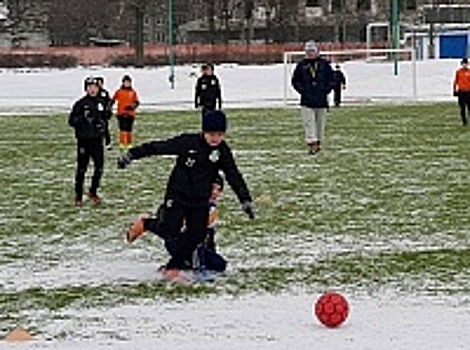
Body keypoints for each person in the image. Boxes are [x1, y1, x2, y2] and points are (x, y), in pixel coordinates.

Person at [117, 110, 255, 270]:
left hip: (200, 199)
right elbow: (158, 147)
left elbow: (233, 175)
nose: (215, 138)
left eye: (219, 134)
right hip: (178, 194)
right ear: (204, 131)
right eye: (211, 134)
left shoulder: (222, 151)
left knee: (197, 235)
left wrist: (245, 200)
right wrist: (131, 154)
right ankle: (146, 223)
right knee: (171, 230)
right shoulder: (188, 142)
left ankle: (172, 268)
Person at [128, 174, 228, 273]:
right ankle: (145, 224)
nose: (215, 192)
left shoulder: (210, 207)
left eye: (219, 190)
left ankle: (176, 266)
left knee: (218, 264)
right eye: (212, 188)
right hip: (178, 241)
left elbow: (208, 235)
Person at [68, 77, 108, 206]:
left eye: (95, 87)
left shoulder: (101, 102)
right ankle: (78, 195)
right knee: (82, 169)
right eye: (90, 87)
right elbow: (71, 121)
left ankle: (93, 191)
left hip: (97, 140)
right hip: (84, 141)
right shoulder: (80, 104)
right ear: (86, 88)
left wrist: (103, 129)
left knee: (99, 167)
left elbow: (105, 118)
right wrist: (82, 119)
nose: (92, 89)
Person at [291, 40, 335, 154]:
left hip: (321, 100)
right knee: (308, 122)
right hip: (306, 100)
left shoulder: (324, 64)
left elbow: (332, 79)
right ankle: (311, 143)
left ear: (317, 52)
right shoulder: (301, 65)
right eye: (308, 51)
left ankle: (319, 142)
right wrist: (303, 91)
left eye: (312, 51)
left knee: (320, 123)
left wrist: (326, 90)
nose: (310, 53)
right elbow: (295, 81)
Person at [112, 75, 140, 151]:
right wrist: (109, 106)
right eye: (126, 82)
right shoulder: (119, 91)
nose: (127, 84)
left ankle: (129, 143)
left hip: (130, 114)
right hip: (121, 113)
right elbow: (113, 99)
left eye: (128, 82)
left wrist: (132, 107)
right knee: (122, 129)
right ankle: (122, 143)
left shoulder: (133, 92)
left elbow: (137, 102)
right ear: (123, 83)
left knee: (129, 129)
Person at [96, 76, 113, 150]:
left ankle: (108, 143)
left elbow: (109, 102)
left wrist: (109, 111)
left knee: (105, 129)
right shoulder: (93, 92)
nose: (100, 85)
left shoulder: (105, 93)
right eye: (98, 83)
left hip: (104, 115)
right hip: (96, 114)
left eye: (101, 83)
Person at [453, 57, 470, 126]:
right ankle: (464, 122)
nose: (464, 65)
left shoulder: (469, 72)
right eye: (463, 64)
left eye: (466, 64)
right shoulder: (458, 72)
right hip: (461, 92)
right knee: (462, 108)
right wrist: (454, 90)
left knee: (469, 107)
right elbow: (456, 81)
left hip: (469, 91)